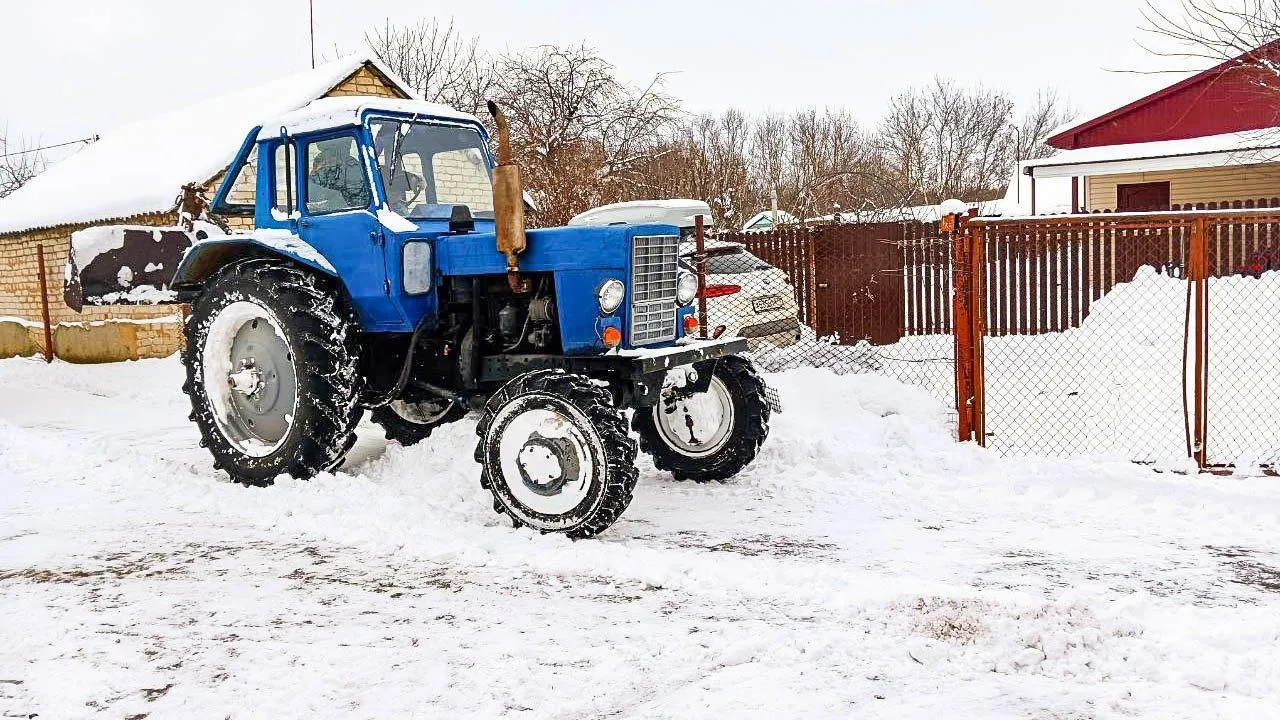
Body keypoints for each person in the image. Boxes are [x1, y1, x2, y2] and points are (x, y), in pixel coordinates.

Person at [306, 143, 369, 213]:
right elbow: (312, 189)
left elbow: (358, 193)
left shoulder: (353, 166)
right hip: (328, 210)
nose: (329, 160)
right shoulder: (319, 161)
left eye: (333, 155)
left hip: (352, 208)